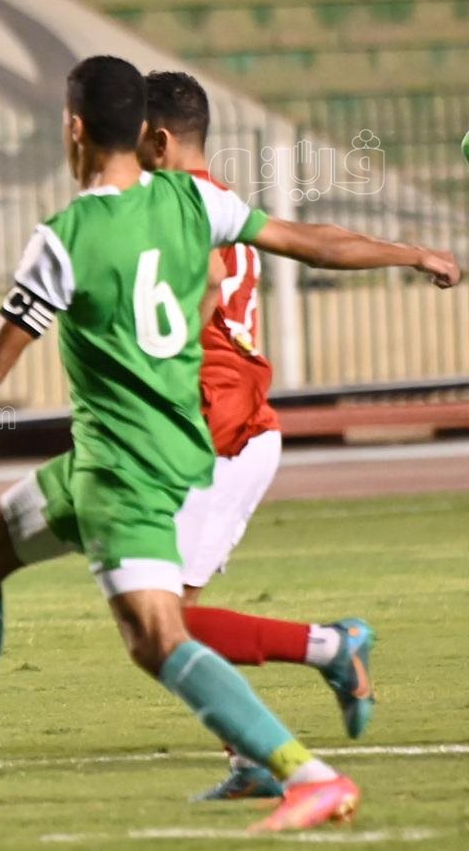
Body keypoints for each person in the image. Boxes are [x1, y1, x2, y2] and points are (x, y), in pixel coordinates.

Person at [0, 56, 459, 832]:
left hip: (123, 470)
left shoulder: (66, 237)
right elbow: (307, 242)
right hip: (139, 455)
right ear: (140, 129)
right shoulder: (192, 198)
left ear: (74, 129)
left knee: (159, 640)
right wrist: (413, 253)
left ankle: (308, 776)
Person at [138, 70, 375, 801]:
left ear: (157, 139)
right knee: (163, 619)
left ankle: (330, 649)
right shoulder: (223, 202)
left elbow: (206, 282)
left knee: (161, 622)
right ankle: (252, 752)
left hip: (220, 427)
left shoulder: (173, 202)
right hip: (226, 424)